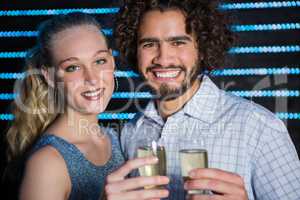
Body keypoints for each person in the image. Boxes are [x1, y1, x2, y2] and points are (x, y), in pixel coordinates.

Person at [105, 0, 300, 199]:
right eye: (149, 44)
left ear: (203, 48)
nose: (163, 59)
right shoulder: (130, 132)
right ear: (134, 52)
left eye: (178, 42)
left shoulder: (260, 128)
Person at [5, 12, 124, 200]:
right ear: (49, 76)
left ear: (112, 61)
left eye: (99, 61)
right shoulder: (47, 163)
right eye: (73, 67)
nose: (92, 79)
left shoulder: (117, 139)